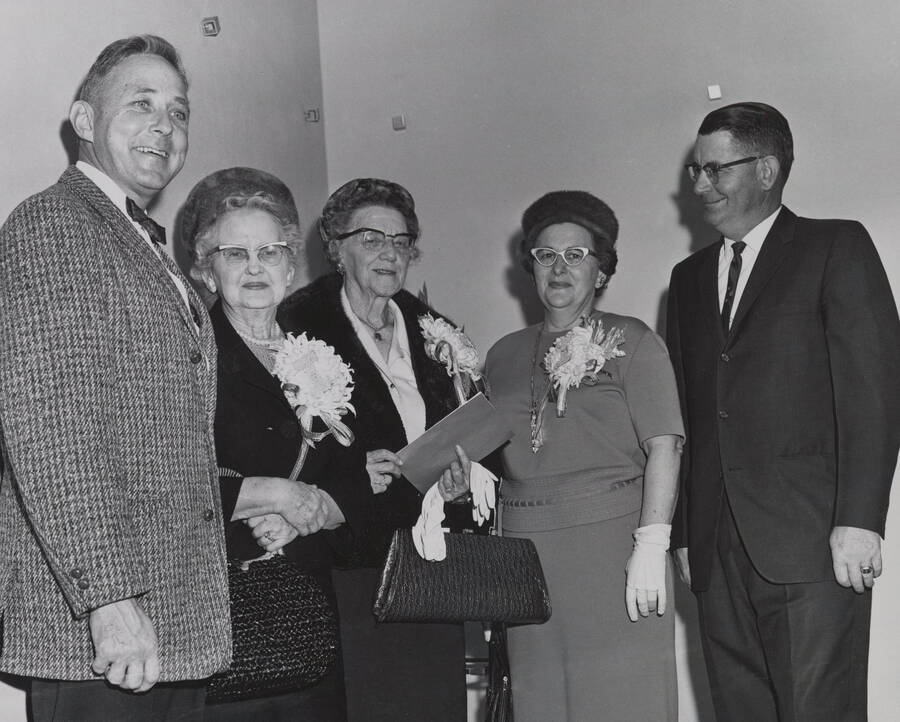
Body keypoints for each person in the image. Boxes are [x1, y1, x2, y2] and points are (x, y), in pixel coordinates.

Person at [0, 35, 231, 720]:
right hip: (106, 631)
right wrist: (108, 598)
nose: (165, 126)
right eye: (141, 105)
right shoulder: (54, 225)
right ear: (84, 121)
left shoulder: (142, 241)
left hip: (167, 618)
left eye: (179, 111)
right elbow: (51, 428)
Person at [667, 101, 900, 721]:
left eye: (715, 170)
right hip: (717, 551)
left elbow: (874, 391)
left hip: (814, 542)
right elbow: (689, 414)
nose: (699, 185)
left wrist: (861, 519)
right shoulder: (686, 279)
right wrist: (688, 531)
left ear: (767, 170)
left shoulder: (835, 245)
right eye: (696, 170)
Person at [483, 190, 684, 722]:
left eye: (576, 255)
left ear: (601, 272)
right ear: (530, 267)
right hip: (526, 554)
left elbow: (665, 445)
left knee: (621, 702)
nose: (559, 267)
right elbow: (486, 452)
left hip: (611, 549)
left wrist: (652, 544)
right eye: (546, 255)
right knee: (541, 702)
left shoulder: (633, 341)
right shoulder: (502, 354)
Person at [278, 177, 472, 722]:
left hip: (427, 561)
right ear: (335, 248)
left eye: (401, 240)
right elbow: (275, 444)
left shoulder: (437, 331)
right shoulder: (296, 324)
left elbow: (470, 429)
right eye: (371, 238)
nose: (390, 252)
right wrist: (346, 468)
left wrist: (461, 480)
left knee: (432, 706)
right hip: (345, 561)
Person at [181, 167, 371, 720]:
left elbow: (359, 472)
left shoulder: (321, 355)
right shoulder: (190, 359)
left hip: (309, 610)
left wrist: (310, 514)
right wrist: (274, 498)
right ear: (208, 272)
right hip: (222, 609)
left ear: (291, 265)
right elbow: (165, 480)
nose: (255, 266)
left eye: (270, 251)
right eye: (235, 254)